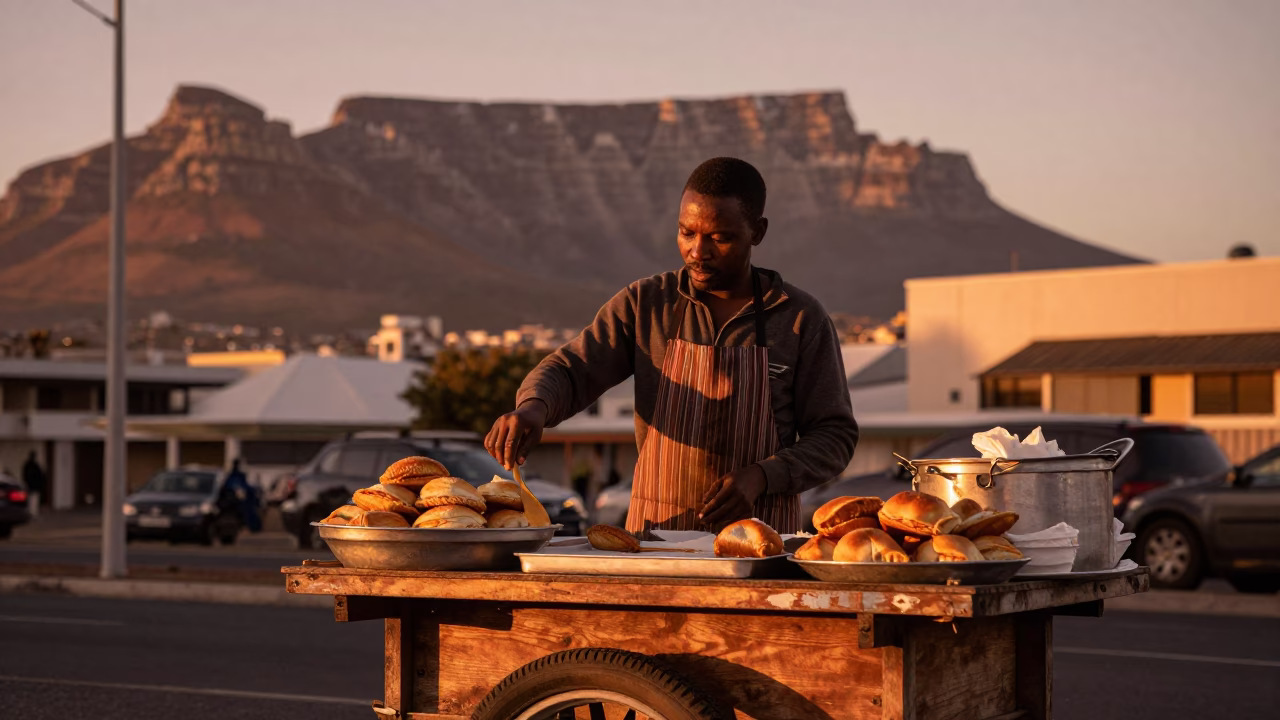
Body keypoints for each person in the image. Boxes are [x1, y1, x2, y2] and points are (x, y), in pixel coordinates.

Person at [486, 157, 858, 534]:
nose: (698, 251)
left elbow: (834, 437)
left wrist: (762, 476)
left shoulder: (800, 319)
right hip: (654, 541)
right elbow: (572, 369)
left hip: (761, 541)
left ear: (757, 232)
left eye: (719, 237)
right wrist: (534, 408)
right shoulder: (646, 304)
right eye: (686, 232)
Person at [220, 459, 262, 533]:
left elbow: (246, 487)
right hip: (234, 503)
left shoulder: (239, 476)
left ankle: (250, 526)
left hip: (242, 502)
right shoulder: (233, 476)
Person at [22, 451, 46, 517]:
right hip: (34, 486)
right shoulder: (33, 466)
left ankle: (32, 512)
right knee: (33, 500)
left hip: (32, 486)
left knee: (32, 499)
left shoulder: (30, 465)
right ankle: (32, 513)